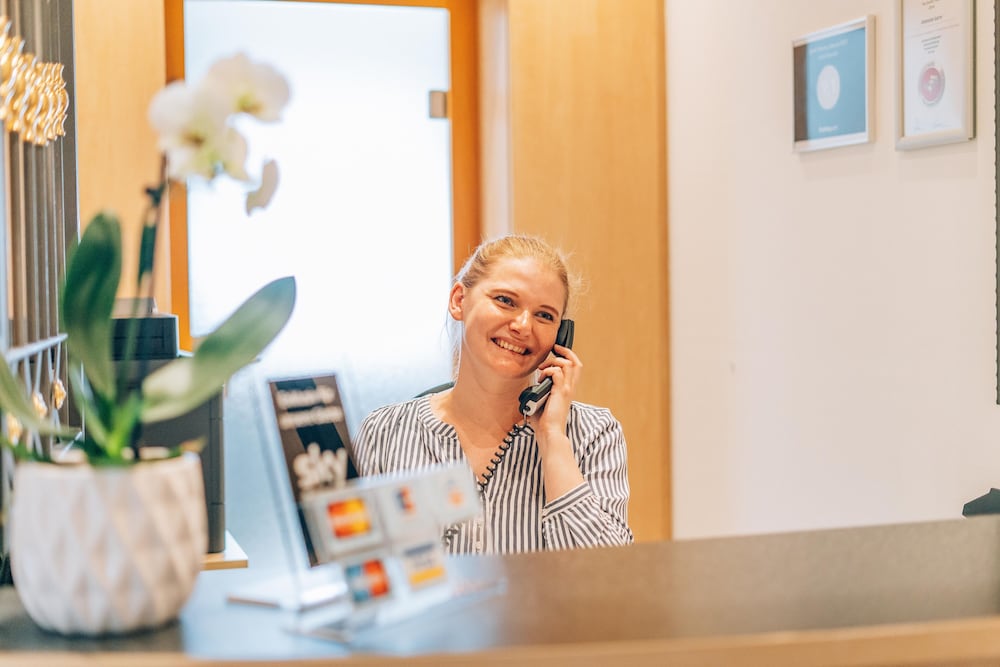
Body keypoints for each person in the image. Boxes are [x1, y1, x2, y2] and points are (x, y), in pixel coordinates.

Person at [353, 234, 633, 554]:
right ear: (459, 300)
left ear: (561, 335)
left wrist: (553, 439)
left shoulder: (593, 433)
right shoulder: (384, 433)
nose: (523, 326)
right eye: (505, 301)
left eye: (544, 315)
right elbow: (356, 566)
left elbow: (608, 572)